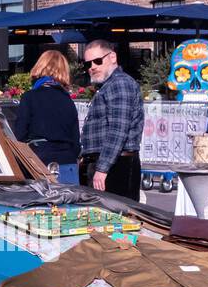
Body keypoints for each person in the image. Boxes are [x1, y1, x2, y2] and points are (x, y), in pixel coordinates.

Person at [78, 40, 142, 200]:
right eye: (88, 63)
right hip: (108, 162)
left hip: (117, 165)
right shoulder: (109, 85)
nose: (92, 66)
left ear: (112, 57)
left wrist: (102, 169)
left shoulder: (119, 83)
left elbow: (118, 130)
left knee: (115, 219)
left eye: (98, 61)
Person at [14, 49, 80, 184]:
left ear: (40, 67)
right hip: (67, 163)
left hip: (39, 162)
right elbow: (76, 141)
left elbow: (19, 135)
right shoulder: (68, 101)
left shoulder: (30, 97)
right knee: (68, 204)